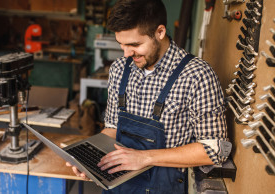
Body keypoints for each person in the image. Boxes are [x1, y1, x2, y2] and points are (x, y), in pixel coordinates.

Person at [67, 0, 230, 193]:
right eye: (121, 45)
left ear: (159, 33)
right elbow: (112, 128)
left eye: (134, 44)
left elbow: (215, 149)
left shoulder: (197, 75)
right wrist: (90, 156)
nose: (126, 54)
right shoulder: (119, 69)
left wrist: (145, 157)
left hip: (163, 187)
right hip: (117, 186)